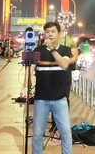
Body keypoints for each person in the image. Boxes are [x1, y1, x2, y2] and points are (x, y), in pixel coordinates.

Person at [31, 21, 73, 154]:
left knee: (65, 133)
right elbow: (31, 68)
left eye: (52, 32)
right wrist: (27, 81)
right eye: (47, 32)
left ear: (59, 33)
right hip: (41, 98)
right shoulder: (38, 50)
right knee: (37, 134)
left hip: (60, 98)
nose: (49, 34)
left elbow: (64, 65)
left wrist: (52, 49)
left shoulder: (65, 50)